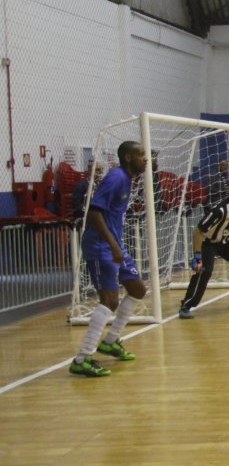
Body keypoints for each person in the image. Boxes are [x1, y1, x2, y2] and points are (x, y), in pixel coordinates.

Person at [69, 141, 150, 377]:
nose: (145, 159)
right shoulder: (116, 178)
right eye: (141, 155)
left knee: (137, 289)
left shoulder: (127, 178)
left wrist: (117, 245)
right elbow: (94, 213)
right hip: (100, 246)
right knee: (109, 301)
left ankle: (111, 341)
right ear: (127, 158)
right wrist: (113, 245)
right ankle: (82, 358)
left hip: (114, 245)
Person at [177, 182, 229, 319]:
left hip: (225, 242)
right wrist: (197, 257)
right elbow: (198, 232)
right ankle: (186, 305)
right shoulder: (219, 211)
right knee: (204, 271)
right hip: (207, 243)